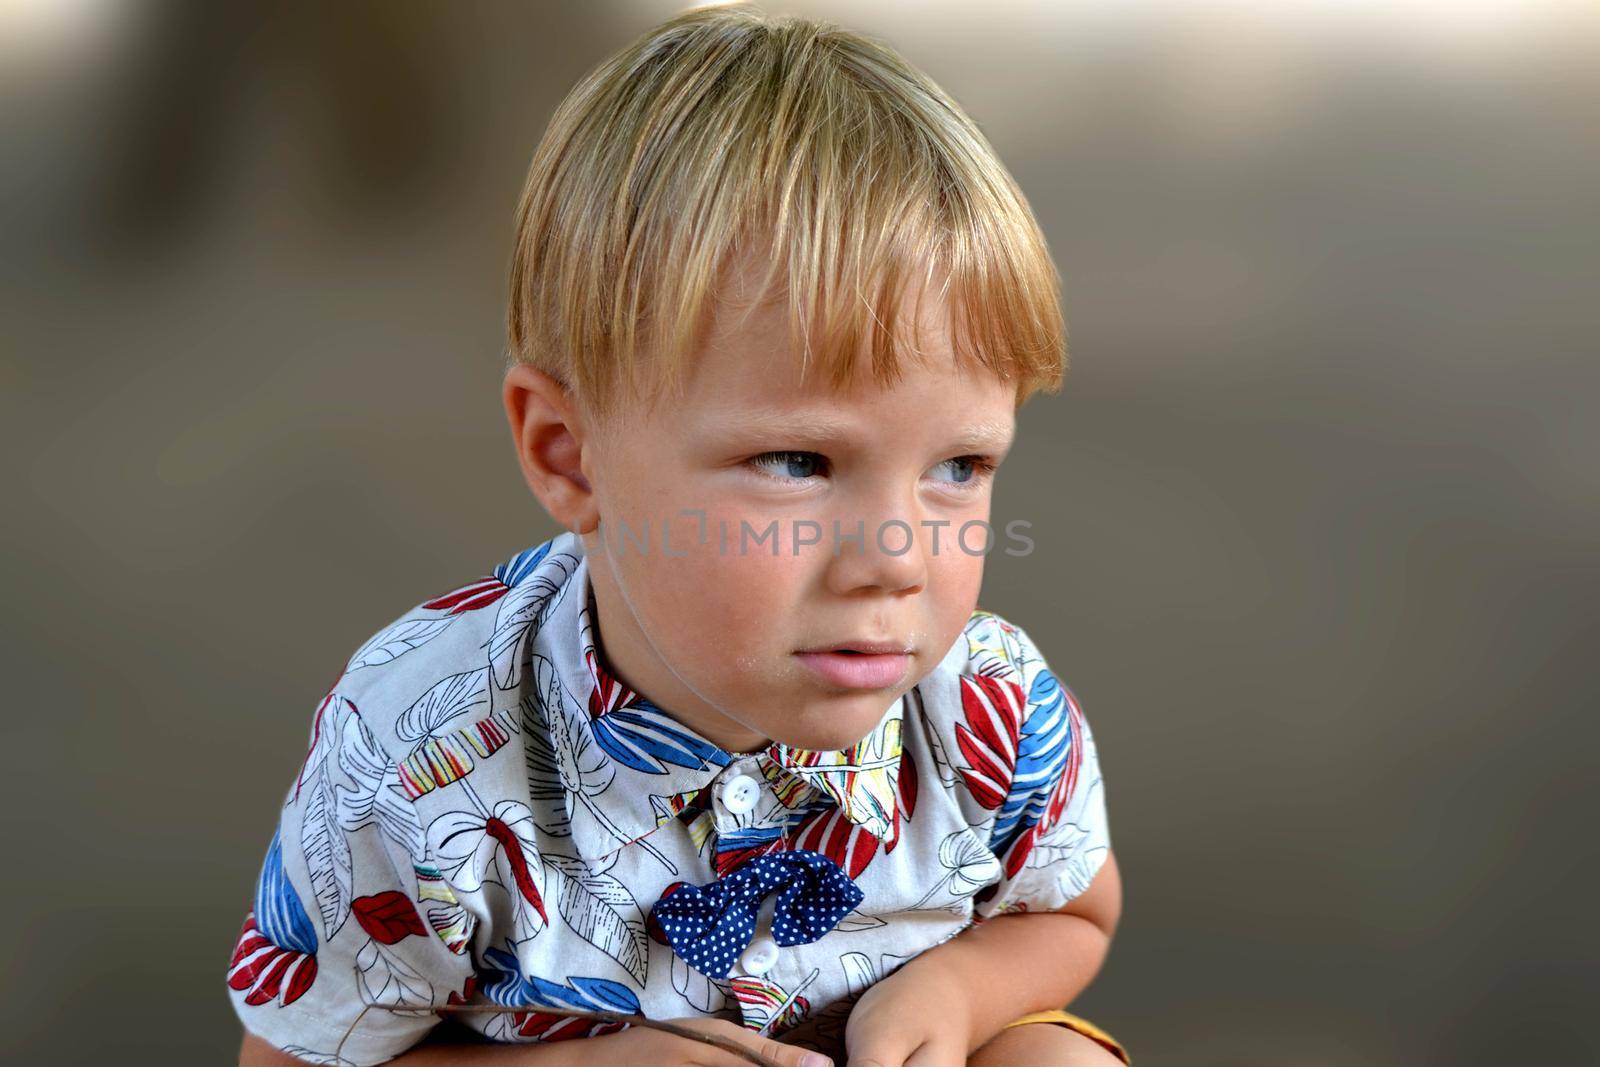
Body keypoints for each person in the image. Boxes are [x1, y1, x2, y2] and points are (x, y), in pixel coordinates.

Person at [230, 5, 1126, 1065]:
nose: (897, 556)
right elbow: (291, 1057)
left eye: (957, 468)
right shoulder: (416, 764)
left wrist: (953, 989)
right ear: (570, 455)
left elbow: (1069, 913)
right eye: (798, 462)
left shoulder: (990, 710)